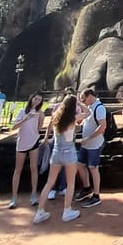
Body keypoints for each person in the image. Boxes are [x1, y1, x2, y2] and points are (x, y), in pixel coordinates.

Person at [33, 95, 84, 224]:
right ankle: (67, 210)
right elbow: (88, 113)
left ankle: (39, 212)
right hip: (69, 152)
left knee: (49, 183)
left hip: (56, 152)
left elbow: (50, 126)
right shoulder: (73, 118)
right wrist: (80, 104)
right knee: (71, 183)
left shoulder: (56, 116)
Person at [8, 92, 44, 208]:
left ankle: (34, 194)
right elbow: (14, 127)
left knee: (34, 168)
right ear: (31, 98)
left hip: (34, 141)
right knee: (18, 169)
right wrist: (25, 118)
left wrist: (41, 119)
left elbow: (39, 129)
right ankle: (14, 196)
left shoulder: (39, 113)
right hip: (22, 142)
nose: (37, 101)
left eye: (39, 100)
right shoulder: (22, 111)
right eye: (36, 99)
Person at [76, 88, 106, 208]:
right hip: (86, 143)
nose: (83, 101)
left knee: (93, 168)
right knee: (80, 164)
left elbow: (102, 127)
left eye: (84, 99)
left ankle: (96, 195)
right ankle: (87, 188)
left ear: (90, 96)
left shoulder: (99, 108)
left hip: (94, 144)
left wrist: (89, 138)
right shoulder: (90, 107)